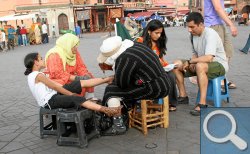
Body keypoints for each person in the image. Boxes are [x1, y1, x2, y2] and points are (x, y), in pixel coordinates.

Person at [97, 36, 171, 134]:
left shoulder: (124, 58)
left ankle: (118, 125)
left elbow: (122, 84)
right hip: (163, 81)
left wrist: (113, 79)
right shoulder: (135, 45)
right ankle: (123, 113)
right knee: (115, 89)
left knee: (111, 91)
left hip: (155, 87)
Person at [24, 52, 122, 117]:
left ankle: (108, 79)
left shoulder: (35, 75)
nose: (43, 60)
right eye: (41, 59)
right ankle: (106, 110)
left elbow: (56, 85)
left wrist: (69, 88)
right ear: (36, 62)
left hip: (54, 94)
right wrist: (70, 94)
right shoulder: (37, 75)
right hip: (50, 101)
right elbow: (54, 86)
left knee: (79, 84)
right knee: (76, 98)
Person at [172, 12, 228, 116]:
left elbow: (209, 57)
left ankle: (202, 103)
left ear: (201, 24)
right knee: (176, 64)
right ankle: (183, 96)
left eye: (192, 27)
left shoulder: (210, 34)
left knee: (199, 66)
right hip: (200, 63)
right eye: (188, 27)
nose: (189, 30)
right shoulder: (192, 35)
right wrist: (192, 62)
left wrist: (191, 62)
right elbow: (195, 54)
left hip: (219, 65)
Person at [137, 19, 178, 111]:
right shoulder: (140, 41)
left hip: (157, 69)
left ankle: (171, 102)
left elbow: (161, 59)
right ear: (149, 31)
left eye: (160, 33)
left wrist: (170, 65)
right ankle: (155, 102)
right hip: (144, 71)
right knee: (163, 77)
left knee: (171, 74)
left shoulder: (157, 43)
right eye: (156, 33)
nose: (159, 36)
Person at [45, 33, 95, 99]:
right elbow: (58, 74)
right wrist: (77, 78)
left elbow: (80, 66)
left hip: (71, 76)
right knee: (70, 83)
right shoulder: (54, 55)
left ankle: (89, 98)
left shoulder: (72, 51)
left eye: (76, 45)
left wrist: (84, 75)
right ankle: (74, 99)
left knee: (89, 76)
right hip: (58, 79)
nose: (76, 47)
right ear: (68, 45)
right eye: (74, 45)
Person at [203, 0, 238, 89]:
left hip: (219, 24)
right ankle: (219, 79)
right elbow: (218, 8)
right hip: (214, 25)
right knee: (217, 55)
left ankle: (222, 77)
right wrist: (231, 24)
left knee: (228, 52)